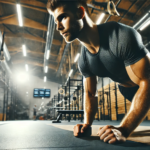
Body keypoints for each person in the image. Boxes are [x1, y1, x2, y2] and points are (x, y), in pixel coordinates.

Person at [47, 0, 150, 144]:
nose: (58, 27)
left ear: (80, 13)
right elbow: (90, 93)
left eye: (62, 17)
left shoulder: (121, 36)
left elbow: (147, 83)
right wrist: (86, 124)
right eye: (55, 21)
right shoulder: (84, 60)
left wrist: (124, 129)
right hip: (127, 90)